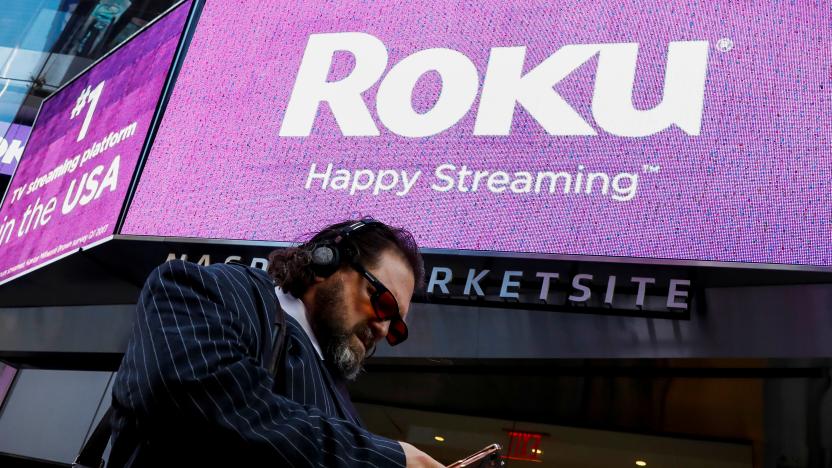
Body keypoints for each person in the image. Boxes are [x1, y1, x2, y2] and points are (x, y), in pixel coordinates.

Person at [108, 218, 443, 467]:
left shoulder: (345, 414)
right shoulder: (204, 289)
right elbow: (198, 393)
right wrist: (390, 459)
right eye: (383, 303)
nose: (384, 329)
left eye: (396, 326)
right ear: (329, 261)